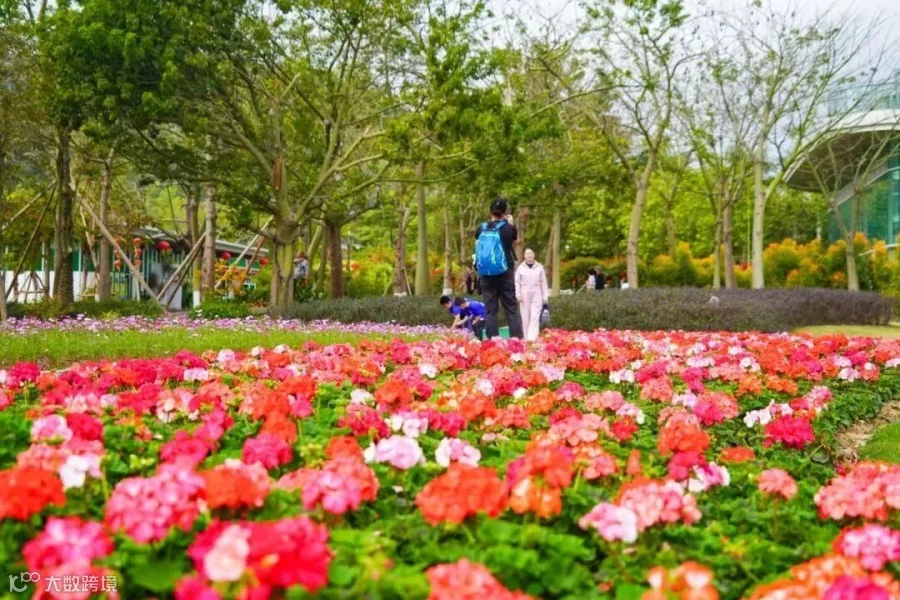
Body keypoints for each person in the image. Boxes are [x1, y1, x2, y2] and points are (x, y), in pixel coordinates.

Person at [474, 197, 524, 339]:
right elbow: (517, 242)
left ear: (490, 211)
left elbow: (478, 245)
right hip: (505, 271)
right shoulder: (508, 228)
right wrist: (510, 224)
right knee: (511, 309)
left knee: (490, 310)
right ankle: (516, 341)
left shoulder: (481, 228)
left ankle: (492, 342)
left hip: (486, 273)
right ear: (505, 211)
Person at [515, 248, 549, 342]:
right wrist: (518, 294)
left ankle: (532, 339)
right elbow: (517, 283)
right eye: (527, 254)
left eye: (531, 253)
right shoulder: (520, 268)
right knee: (525, 317)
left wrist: (545, 296)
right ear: (524, 256)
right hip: (524, 292)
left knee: (535, 317)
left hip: (537, 291)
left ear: (534, 255)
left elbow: (544, 283)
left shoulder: (539, 267)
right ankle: (526, 339)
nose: (529, 255)